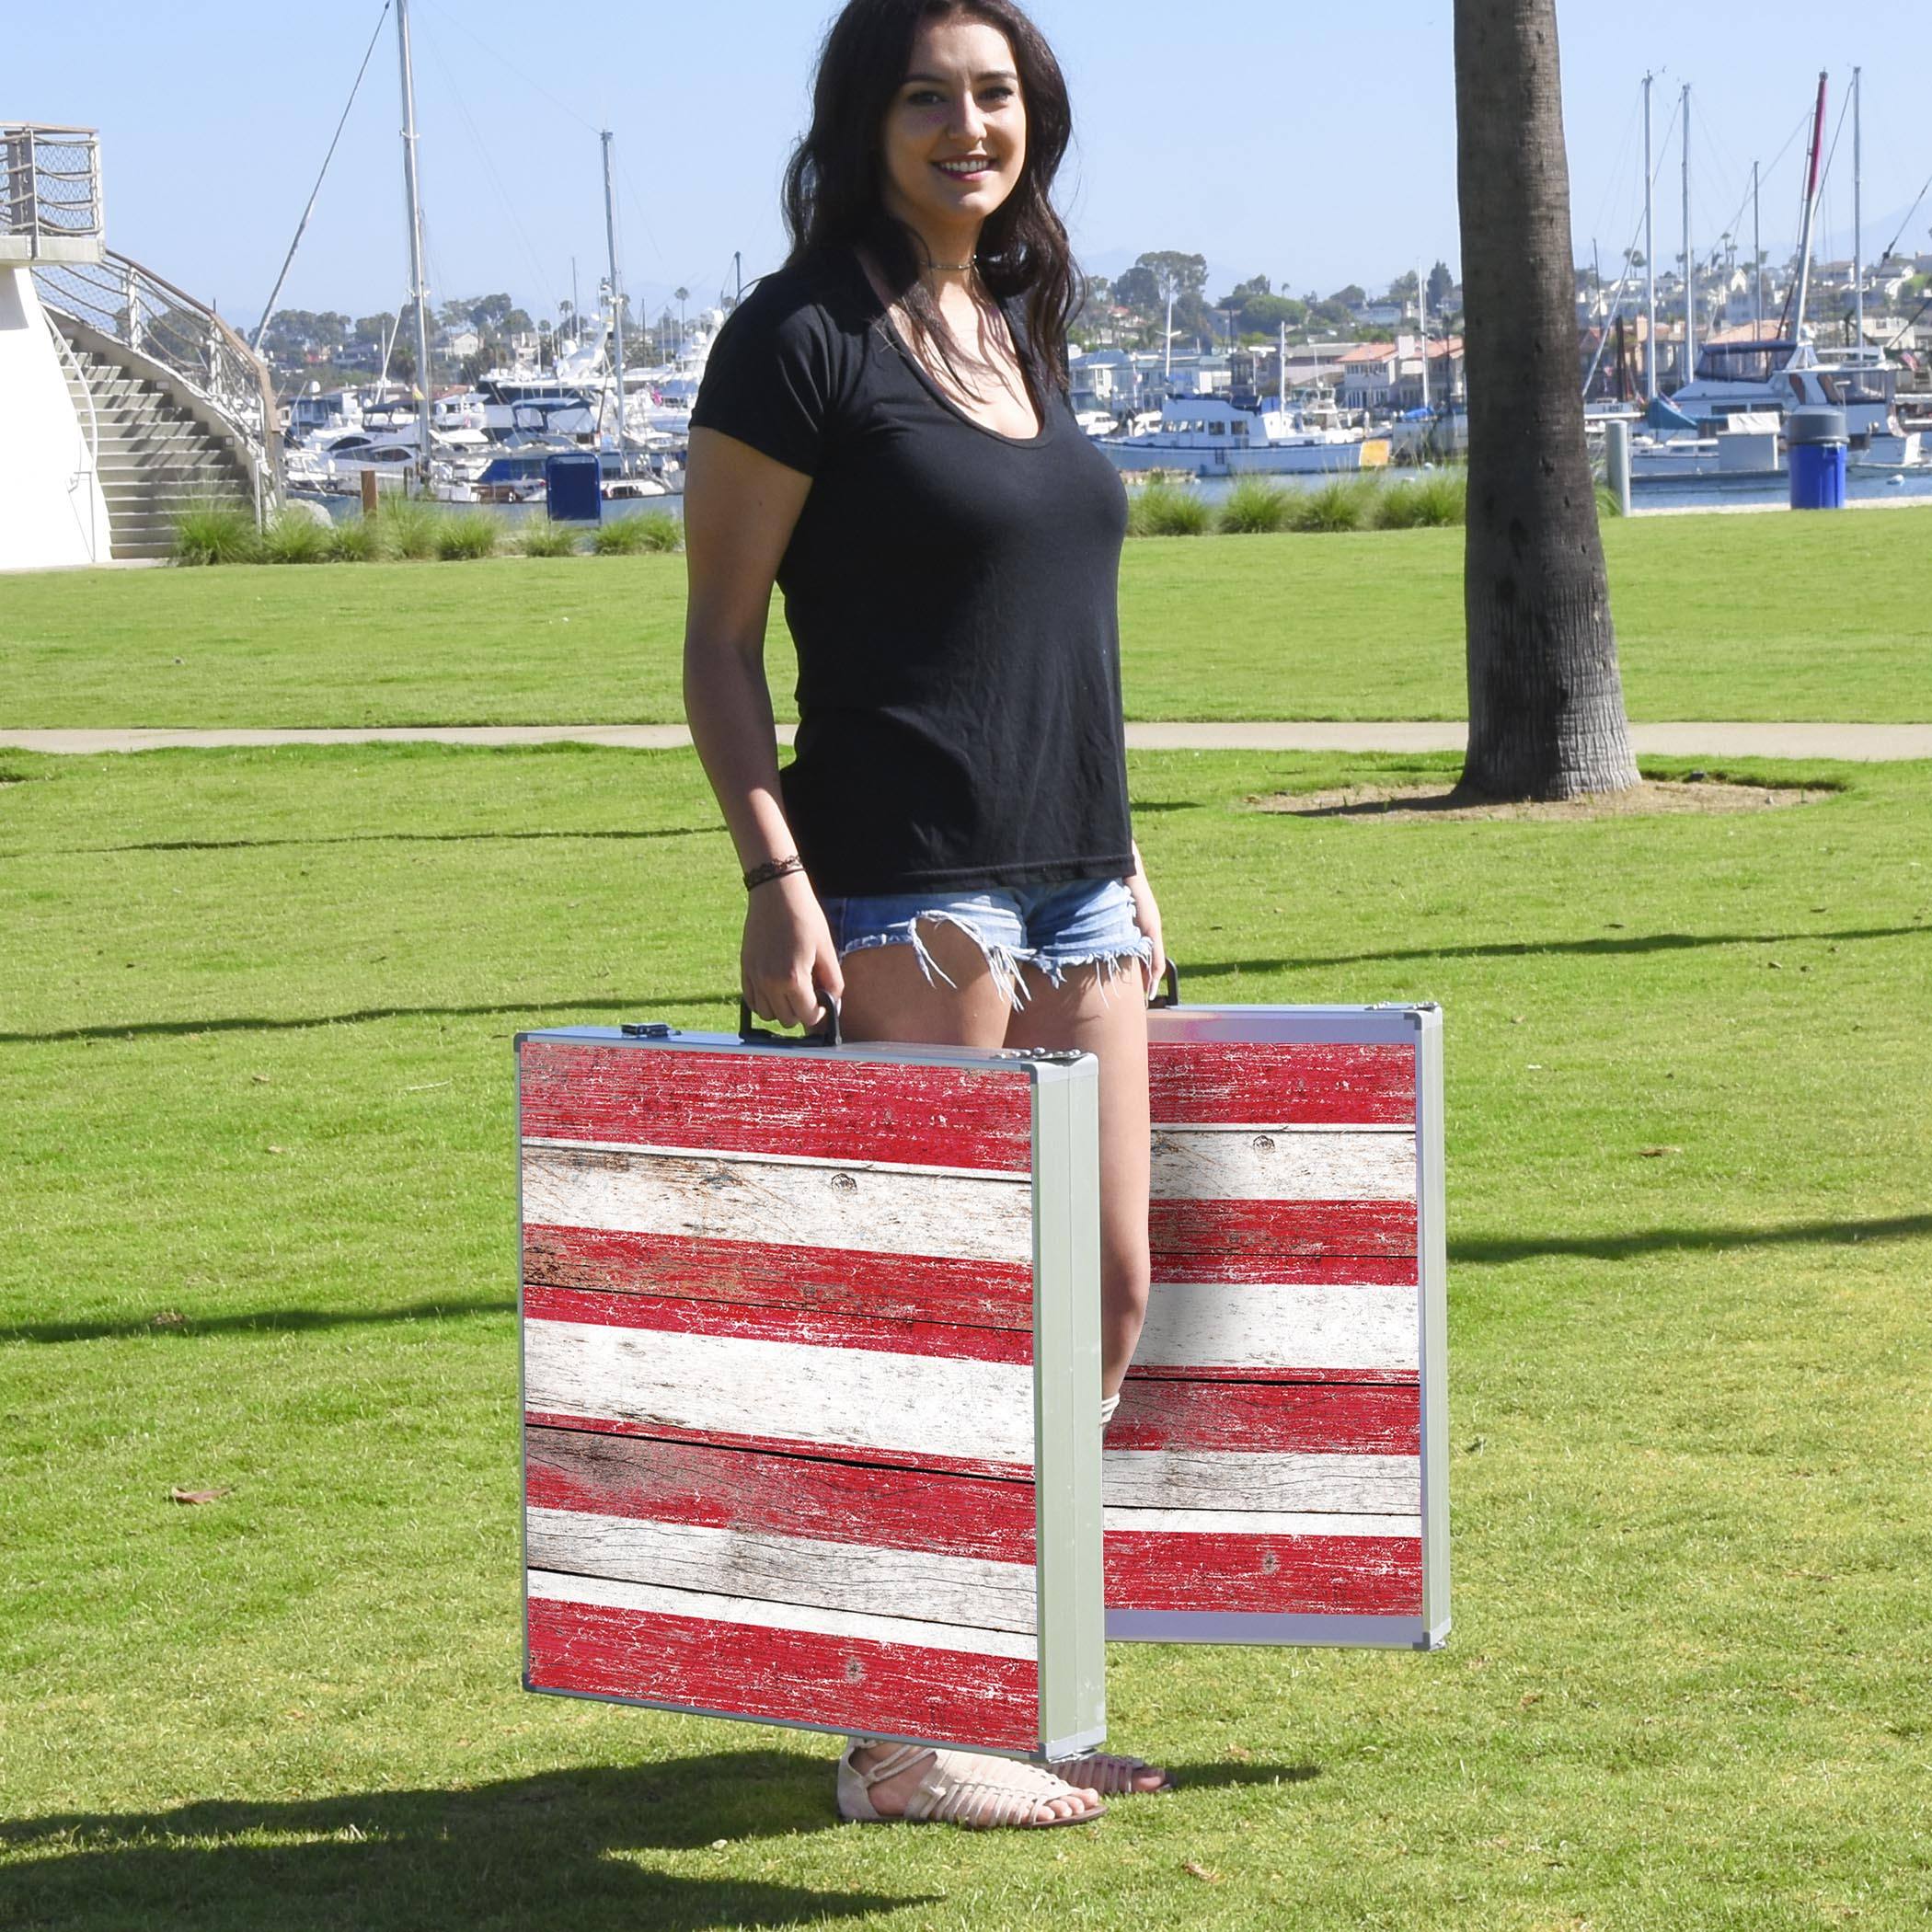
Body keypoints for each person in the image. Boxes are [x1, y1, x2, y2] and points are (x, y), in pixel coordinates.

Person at [682, 0, 1169, 1830]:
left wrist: (1131, 859)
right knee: (945, 1322)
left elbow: (1052, 626)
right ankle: (895, 1737)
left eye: (995, 94)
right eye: (928, 96)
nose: (970, 124)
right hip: (903, 880)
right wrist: (772, 875)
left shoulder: (1018, 323)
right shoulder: (801, 337)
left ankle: (1019, 1697)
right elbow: (720, 645)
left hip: (1076, 886)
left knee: (1104, 1296)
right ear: (862, 121)